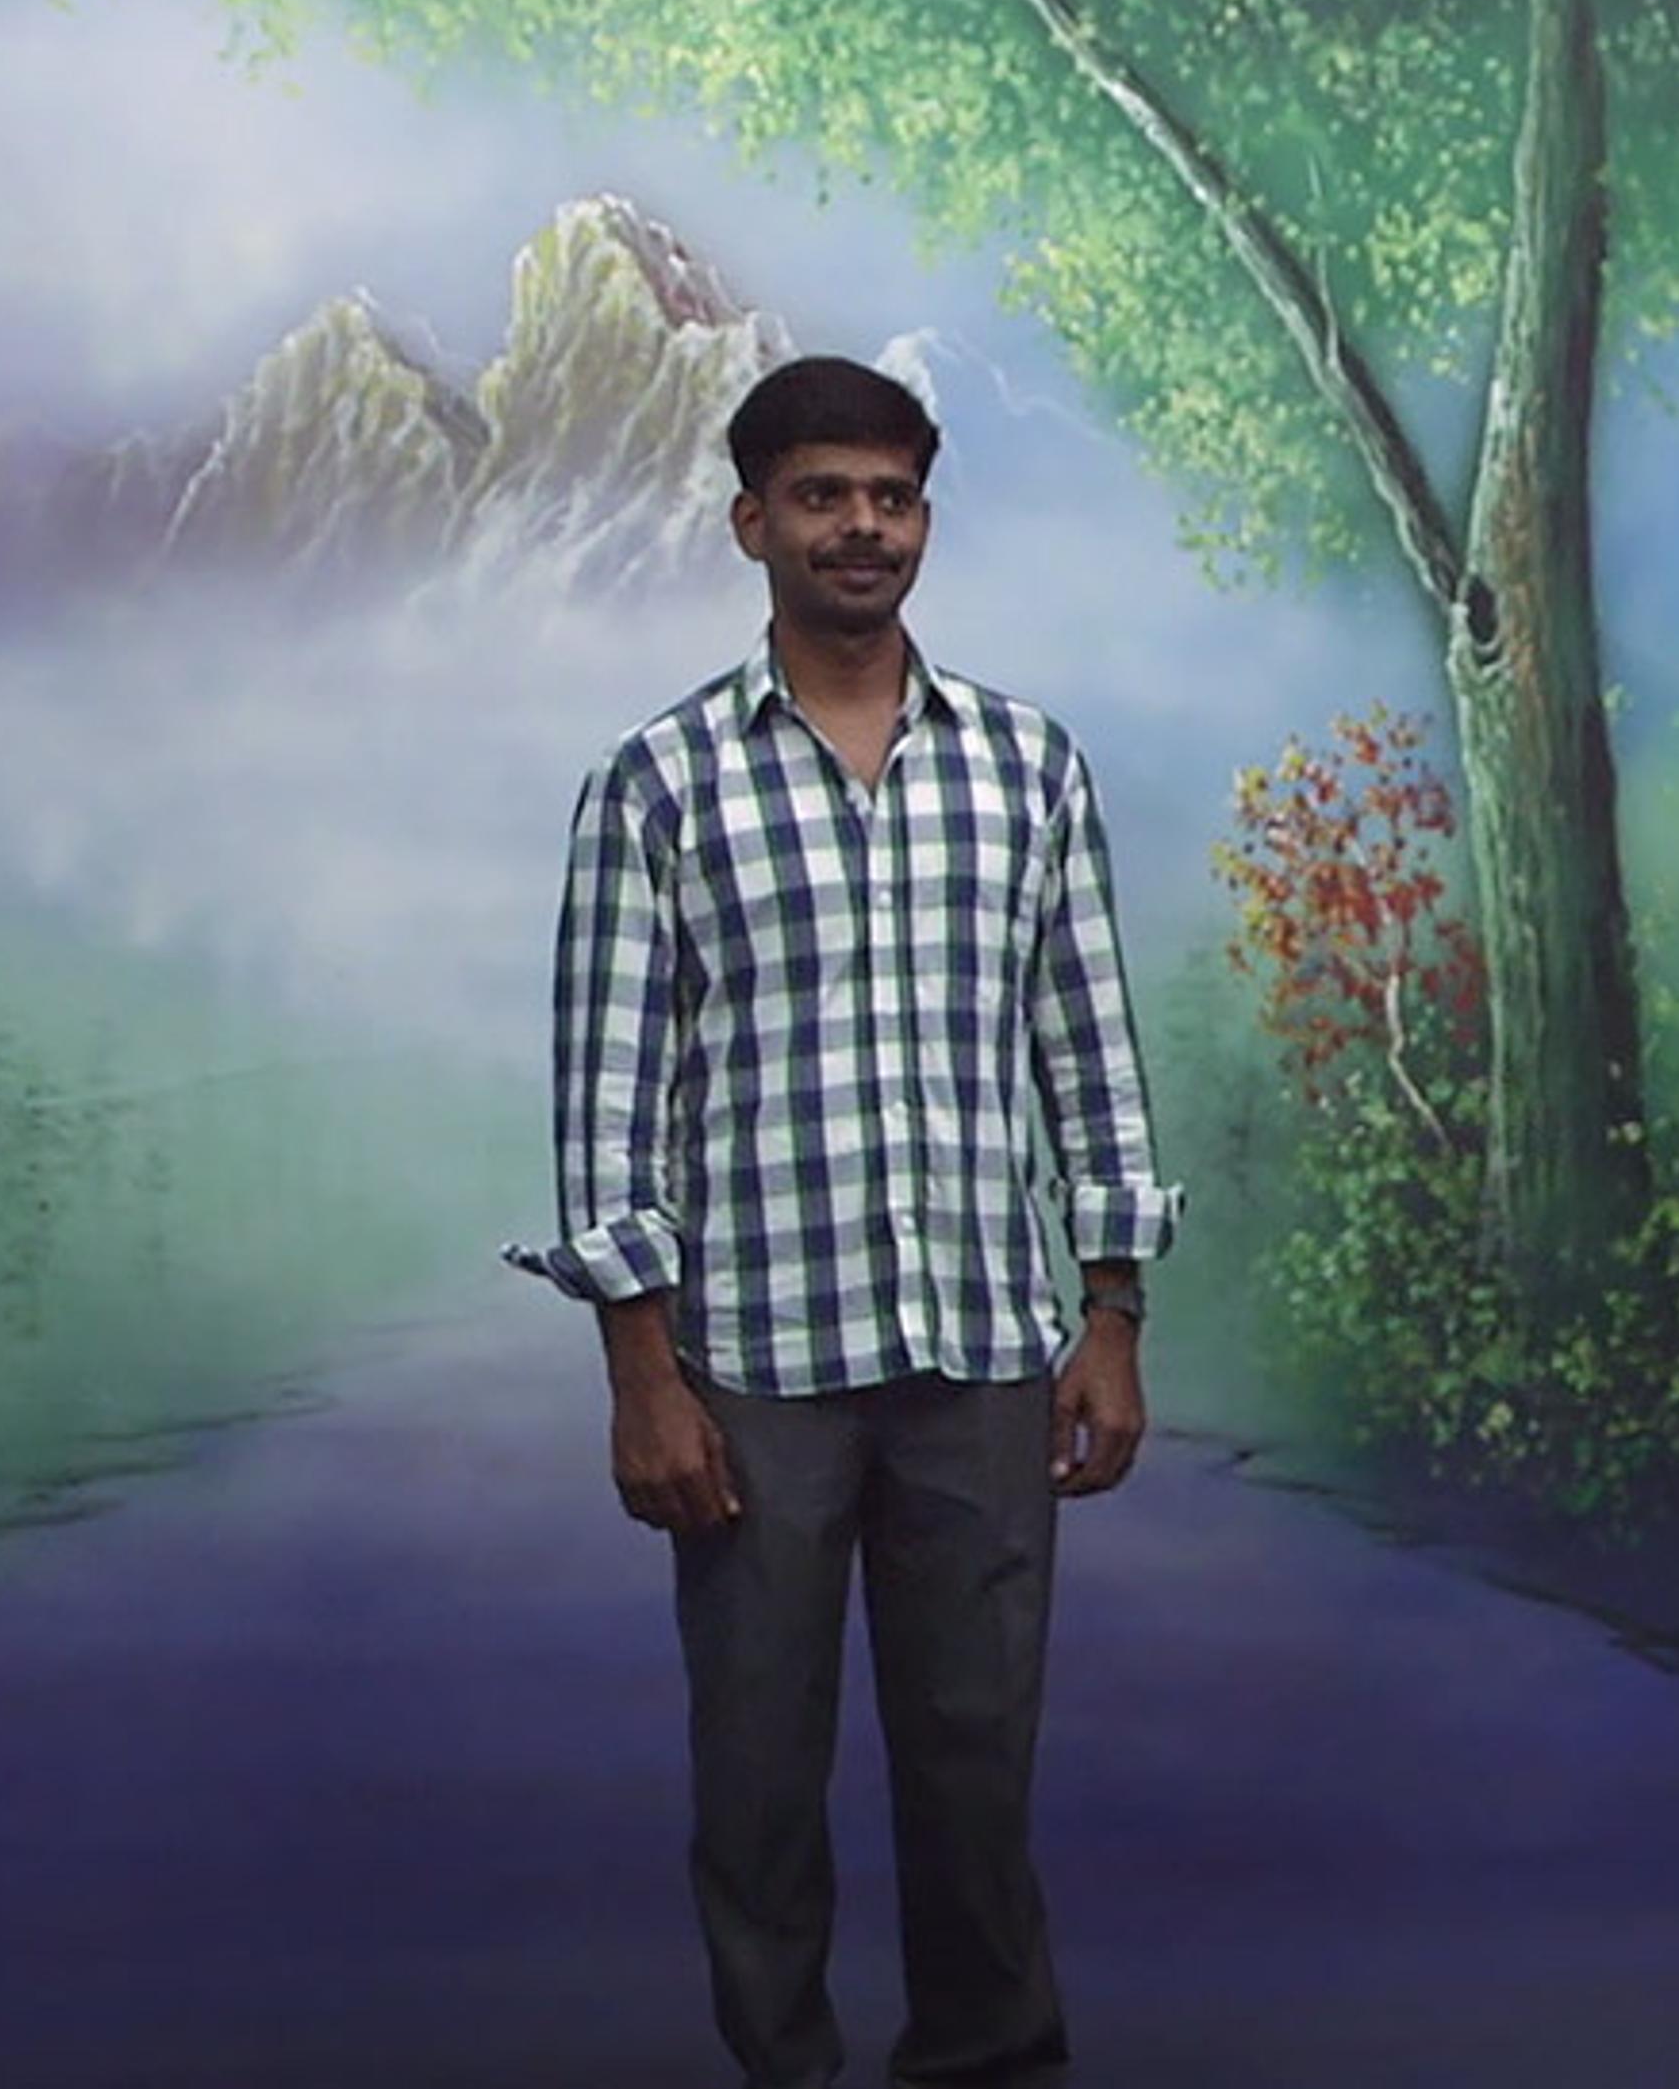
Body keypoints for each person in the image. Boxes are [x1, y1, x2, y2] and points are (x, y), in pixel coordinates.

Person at [512, 355, 1178, 2089]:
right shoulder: (659, 786)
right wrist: (642, 1376)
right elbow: (606, 1106)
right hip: (756, 1373)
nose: (859, 526)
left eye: (889, 496)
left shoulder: (1028, 770)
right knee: (757, 1777)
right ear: (754, 524)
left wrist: (1110, 1313)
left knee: (977, 1767)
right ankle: (785, 2069)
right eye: (822, 495)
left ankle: (988, 2063)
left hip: (978, 1350)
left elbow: (1086, 1055)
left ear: (925, 523)